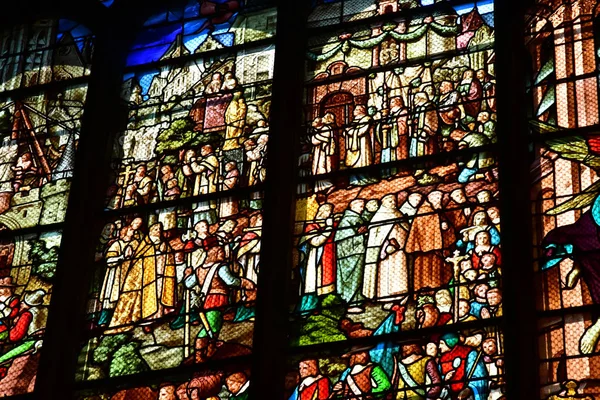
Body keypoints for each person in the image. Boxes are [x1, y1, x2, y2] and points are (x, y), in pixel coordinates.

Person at [106, 223, 177, 334]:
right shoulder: (145, 244)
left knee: (158, 297)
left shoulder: (164, 244)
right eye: (156, 229)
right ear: (150, 231)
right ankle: (146, 323)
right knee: (148, 298)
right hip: (146, 278)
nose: (158, 231)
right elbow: (139, 259)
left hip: (160, 276)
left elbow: (170, 259)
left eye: (160, 229)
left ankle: (156, 319)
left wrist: (165, 253)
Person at [362, 195, 409, 308]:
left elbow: (407, 229)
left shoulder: (399, 214)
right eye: (389, 201)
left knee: (399, 274)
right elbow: (375, 237)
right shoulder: (379, 217)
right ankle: (387, 299)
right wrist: (385, 247)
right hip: (385, 254)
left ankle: (401, 296)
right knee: (384, 275)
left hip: (399, 252)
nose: (393, 202)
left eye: (394, 200)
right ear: (383, 202)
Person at [298, 204, 336, 312]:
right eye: (328, 212)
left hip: (320, 261)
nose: (330, 215)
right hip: (311, 262)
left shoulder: (321, 226)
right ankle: (306, 309)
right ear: (322, 213)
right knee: (311, 285)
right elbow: (316, 242)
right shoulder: (310, 227)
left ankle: (317, 307)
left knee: (318, 284)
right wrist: (329, 227)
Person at [405, 198, 446, 293]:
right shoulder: (425, 210)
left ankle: (433, 292)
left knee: (432, 270)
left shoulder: (435, 211)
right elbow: (423, 228)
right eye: (437, 200)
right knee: (424, 271)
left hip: (432, 250)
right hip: (424, 251)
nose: (439, 202)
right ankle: (426, 293)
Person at [98, 226, 136, 326]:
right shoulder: (117, 244)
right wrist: (122, 257)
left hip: (130, 276)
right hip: (115, 276)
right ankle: (103, 324)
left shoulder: (135, 244)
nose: (134, 231)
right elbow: (109, 261)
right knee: (110, 302)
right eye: (131, 230)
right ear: (125, 232)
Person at [334, 200, 368, 312]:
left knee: (358, 278)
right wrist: (359, 234)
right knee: (353, 278)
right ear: (352, 206)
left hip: (358, 252)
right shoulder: (346, 220)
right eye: (360, 206)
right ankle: (351, 303)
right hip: (350, 255)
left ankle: (357, 301)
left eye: (363, 206)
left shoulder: (357, 218)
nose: (362, 208)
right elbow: (344, 240)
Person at [439, 333, 489, 400]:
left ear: (449, 342)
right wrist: (444, 378)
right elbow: (437, 378)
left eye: (442, 343)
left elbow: (479, 375)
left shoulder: (470, 353)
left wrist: (469, 389)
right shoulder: (442, 359)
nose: (439, 346)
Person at [409, 92, 438, 158]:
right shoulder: (417, 109)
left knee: (425, 151)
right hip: (416, 133)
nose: (414, 100)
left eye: (416, 98)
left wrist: (425, 129)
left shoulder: (429, 107)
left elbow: (432, 122)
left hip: (425, 134)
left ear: (421, 98)